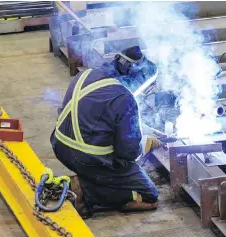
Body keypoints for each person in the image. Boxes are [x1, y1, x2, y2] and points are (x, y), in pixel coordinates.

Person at [50, 46, 159, 219]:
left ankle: (87, 180)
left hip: (60, 146)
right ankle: (86, 192)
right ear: (134, 76)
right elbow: (127, 153)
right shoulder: (124, 97)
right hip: (87, 158)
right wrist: (145, 144)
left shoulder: (87, 74)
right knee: (149, 195)